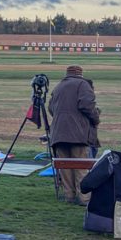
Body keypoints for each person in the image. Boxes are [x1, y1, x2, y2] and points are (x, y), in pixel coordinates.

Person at [49, 65, 100, 205]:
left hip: (58, 133)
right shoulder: (82, 84)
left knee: (65, 167)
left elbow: (51, 108)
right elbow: (86, 105)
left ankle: (69, 197)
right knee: (81, 166)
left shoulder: (59, 86)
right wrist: (96, 118)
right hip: (77, 133)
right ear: (80, 74)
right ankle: (84, 198)